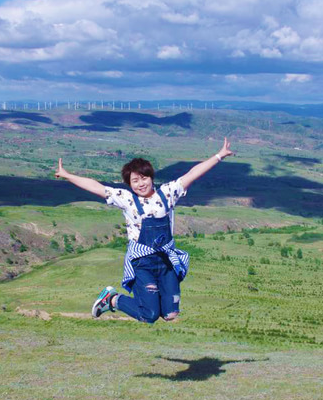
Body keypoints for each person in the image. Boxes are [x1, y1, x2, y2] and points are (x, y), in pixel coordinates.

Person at [55, 137, 234, 323]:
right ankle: (113, 300)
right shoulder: (126, 199)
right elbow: (97, 187)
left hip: (166, 260)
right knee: (149, 315)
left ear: (151, 177)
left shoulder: (168, 192)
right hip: (143, 262)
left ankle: (152, 300)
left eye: (144, 178)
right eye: (135, 181)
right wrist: (68, 175)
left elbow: (193, 174)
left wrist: (219, 156)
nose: (140, 184)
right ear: (129, 184)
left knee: (170, 314)